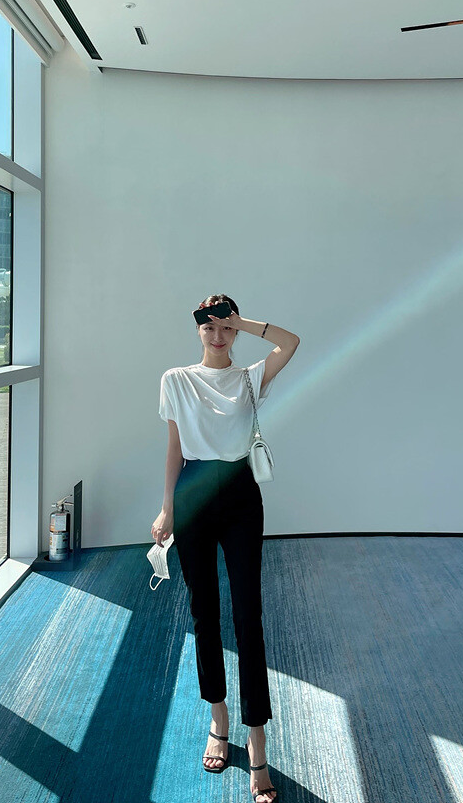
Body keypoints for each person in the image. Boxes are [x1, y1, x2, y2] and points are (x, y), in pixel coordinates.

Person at [152, 294, 299, 803]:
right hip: (193, 491)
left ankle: (257, 739)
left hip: (240, 493)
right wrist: (167, 508)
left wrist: (244, 321)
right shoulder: (176, 379)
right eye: (210, 327)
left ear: (235, 331)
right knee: (204, 612)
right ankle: (219, 719)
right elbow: (174, 448)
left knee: (248, 615)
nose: (218, 336)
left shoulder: (249, 378)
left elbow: (291, 342)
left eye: (226, 328)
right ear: (198, 330)